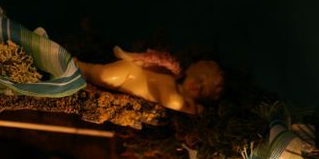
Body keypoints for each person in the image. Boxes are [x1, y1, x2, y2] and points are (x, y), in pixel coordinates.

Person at [76, 46, 224, 114]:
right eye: (200, 79)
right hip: (131, 72)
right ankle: (77, 65)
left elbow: (177, 105)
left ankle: (77, 67)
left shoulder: (181, 102)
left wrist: (197, 109)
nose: (197, 85)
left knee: (104, 77)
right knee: (104, 75)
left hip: (128, 85)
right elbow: (171, 101)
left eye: (203, 89)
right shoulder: (171, 76)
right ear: (191, 69)